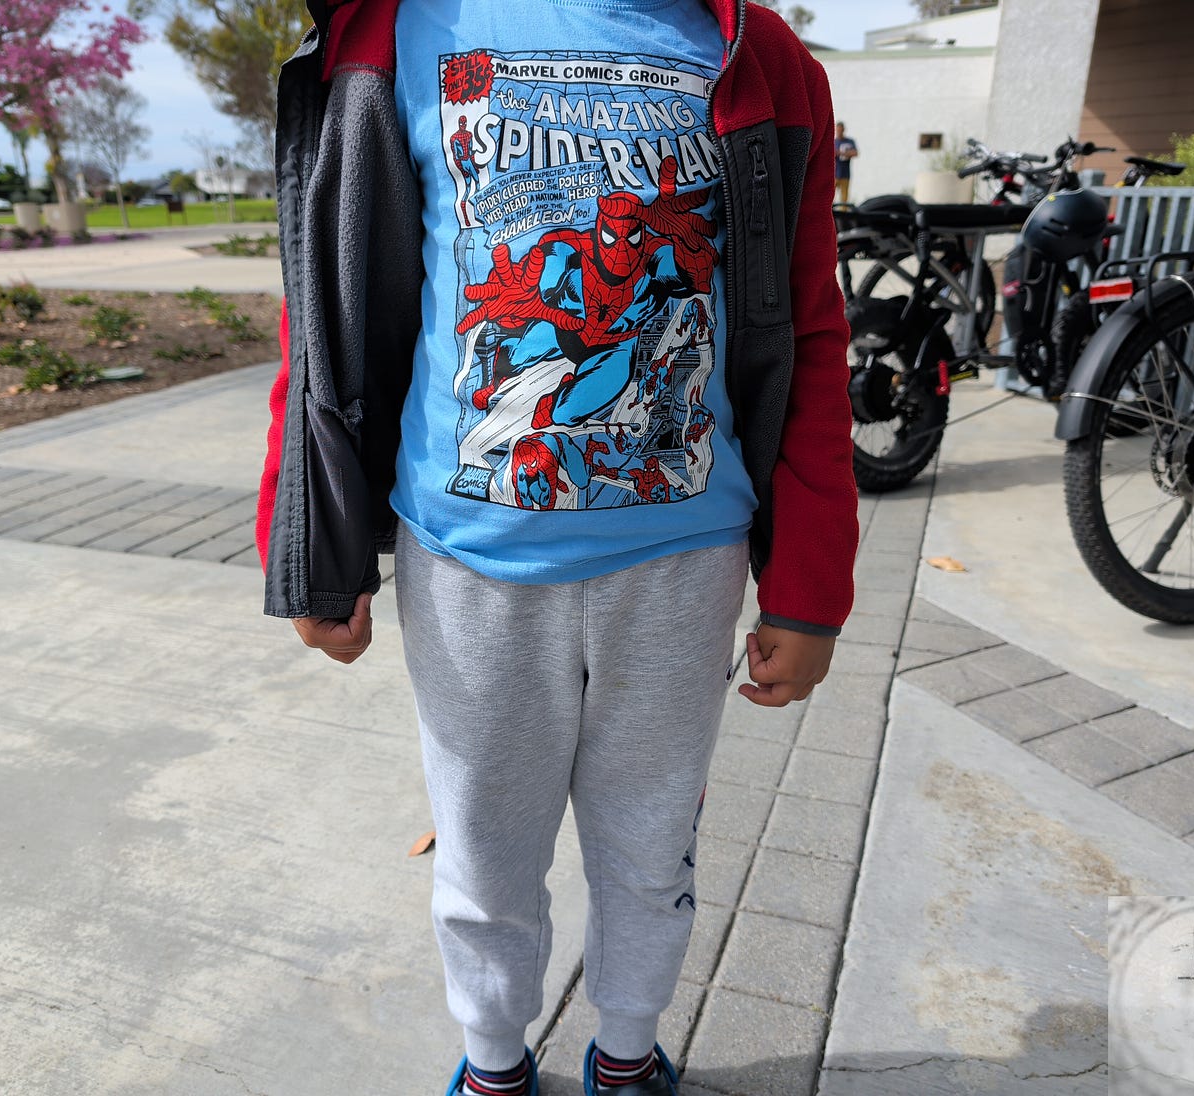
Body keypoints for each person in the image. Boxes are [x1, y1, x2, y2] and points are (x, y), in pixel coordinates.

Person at [255, 2, 857, 1093]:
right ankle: (493, 1067)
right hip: (466, 567)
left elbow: (811, 328)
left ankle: (627, 1057)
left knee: (650, 853)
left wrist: (809, 586)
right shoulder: (389, 32)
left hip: (683, 566)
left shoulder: (758, 55)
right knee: (484, 864)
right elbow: (325, 310)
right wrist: (309, 541)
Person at [835, 121, 858, 204]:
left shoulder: (849, 141)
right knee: (830, 197)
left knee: (844, 199)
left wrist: (841, 153)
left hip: (845, 174)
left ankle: (843, 215)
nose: (839, 132)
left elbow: (855, 153)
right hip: (834, 175)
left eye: (840, 130)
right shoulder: (833, 142)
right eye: (838, 130)